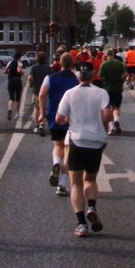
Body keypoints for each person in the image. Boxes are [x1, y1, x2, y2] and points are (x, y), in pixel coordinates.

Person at [55, 64, 113, 237]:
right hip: (95, 142)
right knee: (90, 179)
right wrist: (101, 126)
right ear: (93, 74)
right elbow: (108, 115)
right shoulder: (101, 92)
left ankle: (81, 224)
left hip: (76, 140)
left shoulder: (70, 93)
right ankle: (92, 206)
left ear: (76, 75)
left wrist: (69, 120)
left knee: (76, 184)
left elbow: (59, 119)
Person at [39, 53, 79, 196]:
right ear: (72, 64)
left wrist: (42, 113)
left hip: (54, 115)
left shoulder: (50, 78)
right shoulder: (76, 80)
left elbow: (42, 94)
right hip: (70, 117)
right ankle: (62, 184)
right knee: (68, 150)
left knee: (57, 145)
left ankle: (56, 161)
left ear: (60, 63)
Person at [98, 49, 126, 134]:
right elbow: (125, 74)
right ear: (113, 55)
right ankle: (116, 120)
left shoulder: (104, 64)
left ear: (106, 55)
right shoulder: (119, 63)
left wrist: (104, 81)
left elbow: (100, 76)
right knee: (116, 107)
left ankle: (111, 128)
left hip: (108, 87)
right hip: (117, 87)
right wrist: (122, 81)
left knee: (109, 108)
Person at [28, 51, 52, 134]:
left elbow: (30, 77)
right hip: (46, 90)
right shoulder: (48, 68)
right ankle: (42, 124)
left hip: (36, 89)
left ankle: (36, 126)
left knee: (36, 108)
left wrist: (30, 84)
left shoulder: (34, 67)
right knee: (44, 108)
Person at [4, 51, 23, 121]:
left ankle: (9, 109)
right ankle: (17, 113)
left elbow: (5, 71)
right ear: (19, 57)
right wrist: (22, 73)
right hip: (17, 81)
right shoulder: (19, 63)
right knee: (18, 98)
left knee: (11, 98)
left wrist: (10, 72)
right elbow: (19, 71)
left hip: (10, 81)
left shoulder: (9, 63)